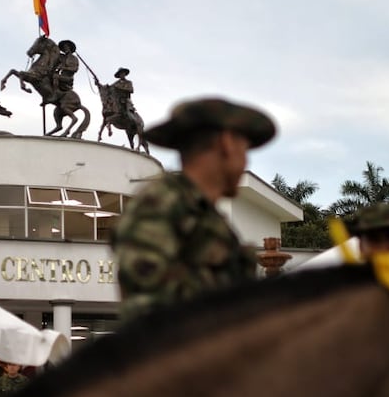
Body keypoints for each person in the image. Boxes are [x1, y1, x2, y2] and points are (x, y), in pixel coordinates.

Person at [111, 97, 277, 319]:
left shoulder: (201, 213)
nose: (246, 162)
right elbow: (149, 312)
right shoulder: (160, 206)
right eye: (245, 149)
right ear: (226, 143)